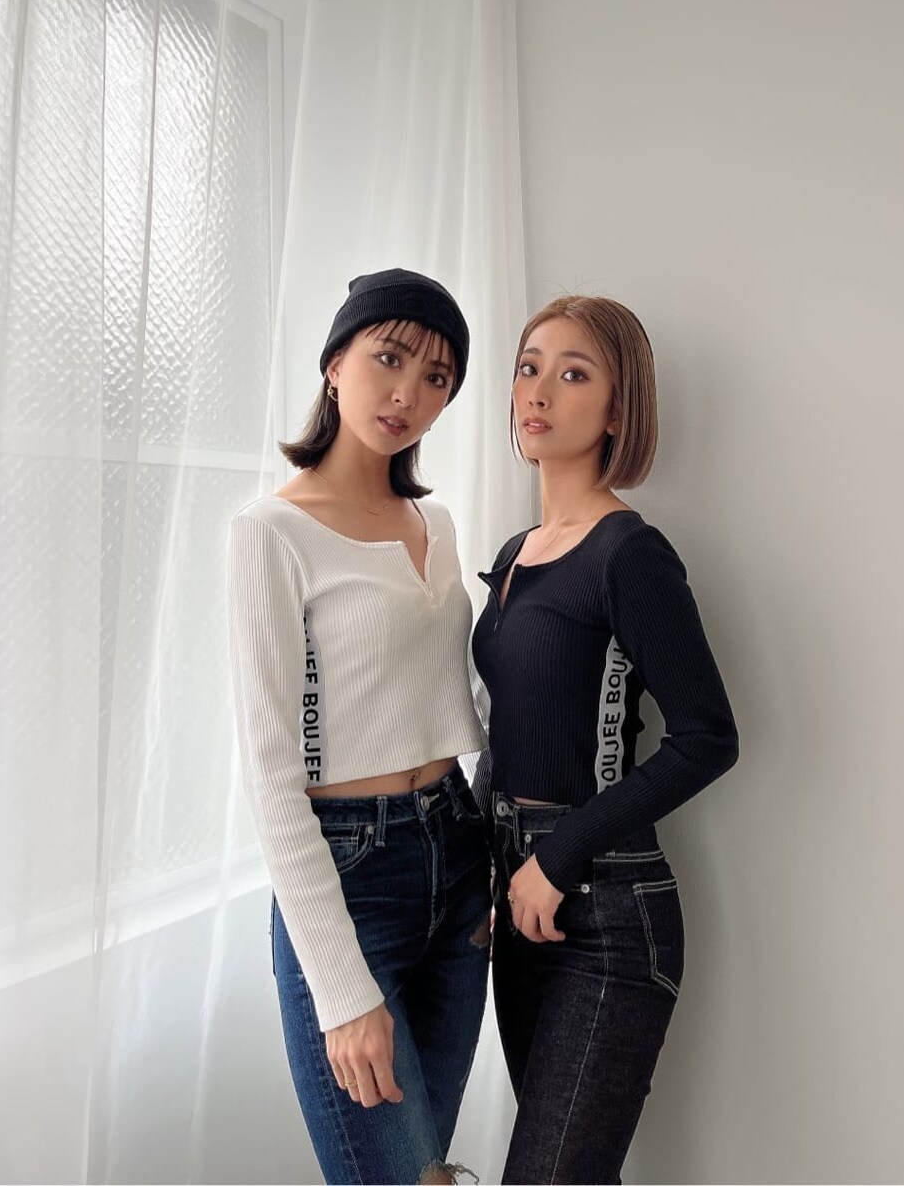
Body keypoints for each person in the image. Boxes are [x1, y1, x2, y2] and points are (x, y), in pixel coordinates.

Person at [227, 269, 490, 1186]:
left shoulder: (436, 524)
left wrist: (500, 854)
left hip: (458, 856)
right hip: (348, 872)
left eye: (436, 377)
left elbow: (467, 696)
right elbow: (270, 777)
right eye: (389, 358)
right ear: (336, 363)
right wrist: (342, 991)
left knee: (428, 1170)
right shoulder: (271, 532)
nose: (407, 393)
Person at [472, 295, 739, 1185]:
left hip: (608, 912)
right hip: (519, 898)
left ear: (619, 410)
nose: (539, 390)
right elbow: (504, 727)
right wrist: (488, 867)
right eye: (529, 367)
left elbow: (708, 736)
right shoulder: (516, 552)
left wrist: (558, 856)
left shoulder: (630, 553)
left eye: (573, 373)